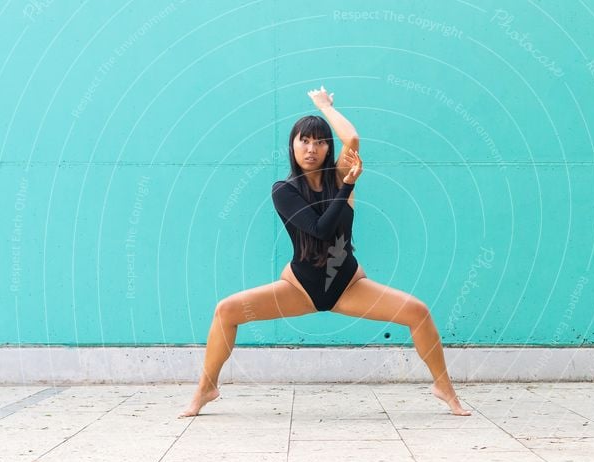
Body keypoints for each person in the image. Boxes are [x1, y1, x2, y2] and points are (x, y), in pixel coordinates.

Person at [179, 85, 471, 417]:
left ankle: (443, 386)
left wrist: (325, 107)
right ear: (292, 146)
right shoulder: (284, 190)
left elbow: (354, 141)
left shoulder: (339, 174)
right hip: (300, 288)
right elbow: (320, 229)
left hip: (347, 285)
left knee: (417, 312)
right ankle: (206, 388)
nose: (312, 148)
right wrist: (348, 187)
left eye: (320, 141)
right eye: (304, 140)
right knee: (226, 311)